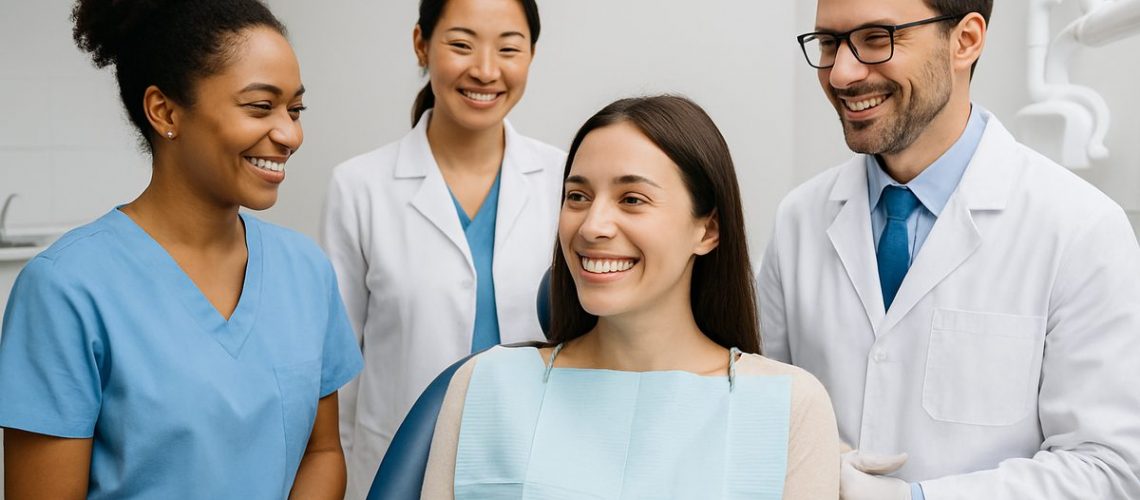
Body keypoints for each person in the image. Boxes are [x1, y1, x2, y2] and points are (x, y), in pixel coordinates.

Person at [758, 0, 1140, 498]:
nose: (842, 74)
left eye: (877, 38)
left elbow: (1108, 469)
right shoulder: (799, 219)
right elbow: (758, 403)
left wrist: (912, 498)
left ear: (966, 41)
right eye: (829, 44)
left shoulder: (1081, 229)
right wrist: (813, 454)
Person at [0, 1, 363, 498]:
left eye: (295, 109)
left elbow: (321, 452)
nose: (290, 134)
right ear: (165, 111)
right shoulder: (65, 288)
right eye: (261, 106)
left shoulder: (305, 272)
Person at [412, 95, 839, 499]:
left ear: (707, 230)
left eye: (632, 199)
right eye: (577, 196)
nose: (593, 226)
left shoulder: (787, 406)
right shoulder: (485, 384)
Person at [320, 0, 565, 496]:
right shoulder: (359, 187)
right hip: (401, 467)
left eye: (509, 48)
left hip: (535, 462)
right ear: (421, 44)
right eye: (461, 44)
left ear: (531, 56)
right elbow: (336, 373)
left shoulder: (566, 179)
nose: (486, 70)